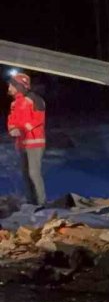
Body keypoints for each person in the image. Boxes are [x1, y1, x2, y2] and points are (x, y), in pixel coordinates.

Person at [7, 72, 46, 205]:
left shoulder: (35, 100)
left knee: (33, 173)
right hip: (22, 143)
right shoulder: (14, 104)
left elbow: (37, 120)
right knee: (25, 174)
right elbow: (12, 120)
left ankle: (41, 203)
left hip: (34, 142)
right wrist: (12, 129)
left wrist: (23, 128)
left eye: (11, 85)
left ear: (19, 86)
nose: (9, 88)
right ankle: (31, 202)